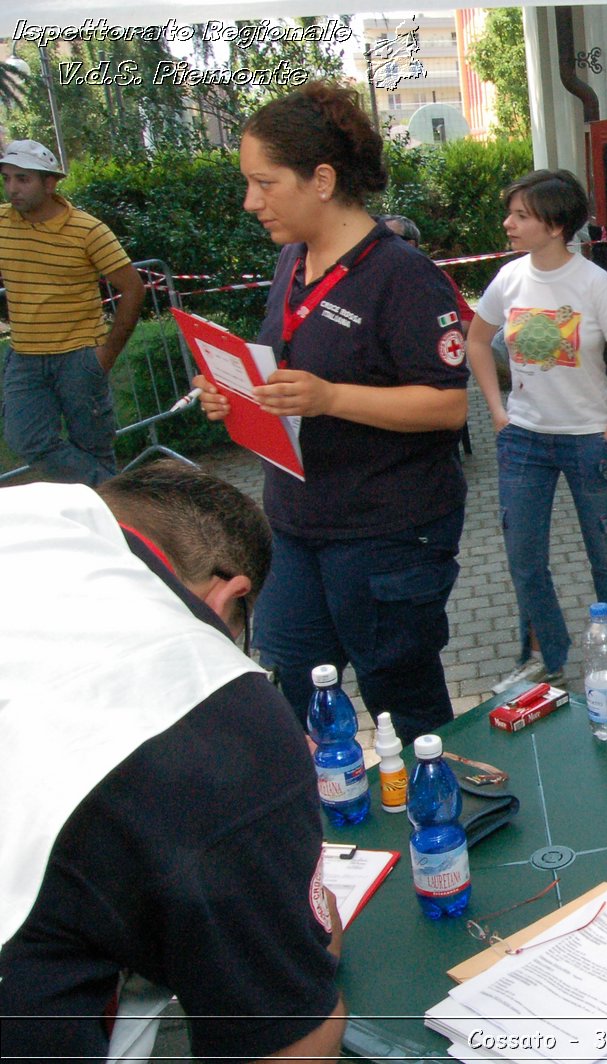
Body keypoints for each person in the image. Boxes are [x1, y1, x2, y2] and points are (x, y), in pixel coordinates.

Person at [0, 461, 343, 1060]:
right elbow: (292, 1040)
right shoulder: (212, 707)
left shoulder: (26, 515)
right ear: (230, 595)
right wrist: (304, 923)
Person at [193, 83, 468, 742]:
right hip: (295, 525)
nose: (249, 201)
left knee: (402, 702)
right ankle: (315, 832)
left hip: (387, 532)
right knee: (289, 690)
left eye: (264, 182)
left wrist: (330, 398)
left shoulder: (403, 276)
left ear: (321, 179)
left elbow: (449, 405)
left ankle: (441, 830)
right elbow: (285, 365)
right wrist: (232, 394)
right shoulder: (293, 260)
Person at [466, 169, 607, 694]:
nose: (509, 223)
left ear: (554, 225)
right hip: (524, 440)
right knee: (524, 558)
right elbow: (476, 342)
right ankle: (544, 656)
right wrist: (497, 413)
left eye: (521, 215)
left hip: (589, 440)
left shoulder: (594, 282)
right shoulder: (508, 279)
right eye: (512, 213)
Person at [1, 139, 143, 485]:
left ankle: (110, 520)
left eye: (23, 179)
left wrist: (106, 354)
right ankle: (121, 495)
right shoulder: (3, 223)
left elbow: (134, 289)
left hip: (78, 357)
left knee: (94, 446)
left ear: (50, 184)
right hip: (25, 358)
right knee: (28, 439)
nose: (12, 189)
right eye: (6, 178)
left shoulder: (88, 230)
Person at [377, 213, 474, 327]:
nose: (380, 244)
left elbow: (467, 319)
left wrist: (438, 337)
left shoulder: (434, 277)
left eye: (389, 238)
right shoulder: (365, 277)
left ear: (410, 244)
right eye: (377, 238)